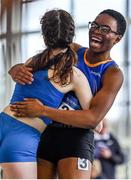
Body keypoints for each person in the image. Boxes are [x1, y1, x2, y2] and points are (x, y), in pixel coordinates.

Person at [9, 9, 127, 179]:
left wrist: (43, 111)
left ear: (118, 38)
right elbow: (35, 64)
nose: (97, 31)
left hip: (76, 139)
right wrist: (15, 69)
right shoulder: (72, 50)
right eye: (95, 25)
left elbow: (93, 119)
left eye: (105, 29)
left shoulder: (112, 73)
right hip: (47, 133)